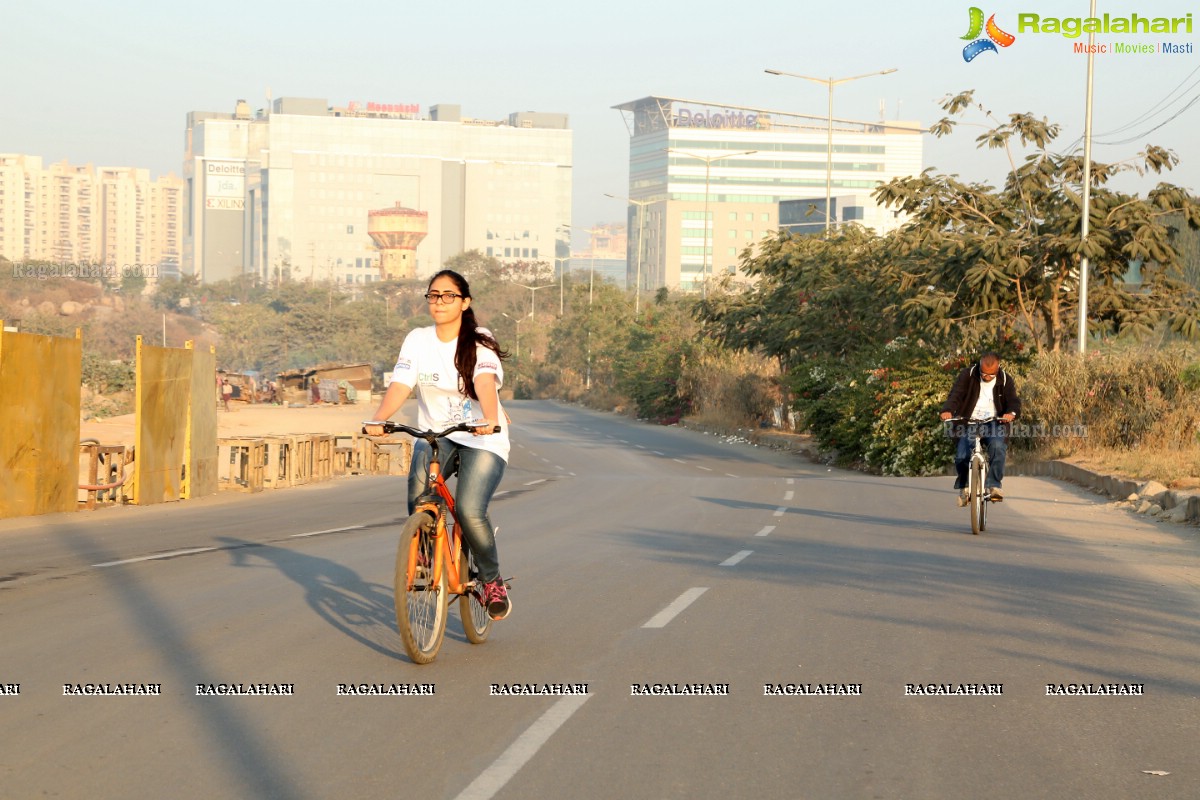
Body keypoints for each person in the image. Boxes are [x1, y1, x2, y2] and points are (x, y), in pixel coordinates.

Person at [364, 269, 513, 620]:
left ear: (464, 302)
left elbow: (485, 380)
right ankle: (424, 559)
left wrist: (489, 418)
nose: (440, 302)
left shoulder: (478, 339)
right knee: (419, 496)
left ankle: (491, 580)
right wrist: (378, 419)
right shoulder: (417, 339)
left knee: (469, 509)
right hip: (437, 435)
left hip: (481, 436)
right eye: (433, 295)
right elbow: (401, 384)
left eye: (448, 295)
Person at [939, 352, 1022, 505]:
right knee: (961, 455)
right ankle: (964, 487)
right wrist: (948, 410)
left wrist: (1011, 413)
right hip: (968, 421)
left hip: (994, 421)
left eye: (991, 375)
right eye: (984, 373)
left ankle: (994, 485)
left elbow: (1013, 401)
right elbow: (955, 395)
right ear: (979, 365)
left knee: (998, 446)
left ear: (997, 369)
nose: (987, 377)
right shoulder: (968, 375)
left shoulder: (1005, 379)